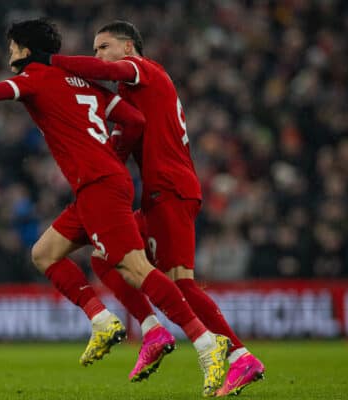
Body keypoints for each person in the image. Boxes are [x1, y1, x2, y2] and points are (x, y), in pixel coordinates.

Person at [0, 18, 230, 396]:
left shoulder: (36, 78)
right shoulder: (86, 85)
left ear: (25, 50)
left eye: (12, 47)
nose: (9, 54)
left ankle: (206, 342)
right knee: (45, 253)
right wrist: (112, 157)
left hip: (98, 187)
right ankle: (108, 321)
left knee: (135, 266)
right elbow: (134, 118)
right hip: (101, 184)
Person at [13, 20, 265, 396]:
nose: (97, 55)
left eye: (103, 46)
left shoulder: (142, 71)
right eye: (95, 48)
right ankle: (151, 330)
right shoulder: (131, 99)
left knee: (182, 283)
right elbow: (123, 138)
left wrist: (51, 60)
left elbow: (104, 71)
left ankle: (240, 356)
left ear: (128, 47)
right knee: (103, 258)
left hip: (171, 188)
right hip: (158, 192)